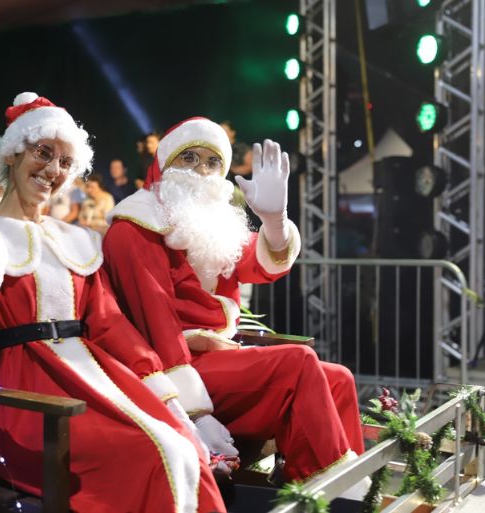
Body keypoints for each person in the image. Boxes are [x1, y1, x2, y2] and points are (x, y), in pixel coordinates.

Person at [0, 92, 224, 513]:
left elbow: (109, 324)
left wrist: (175, 402)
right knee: (160, 456)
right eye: (43, 153)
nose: (53, 170)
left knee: (183, 447)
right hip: (31, 409)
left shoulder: (77, 240)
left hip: (97, 385)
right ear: (12, 154)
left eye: (65, 162)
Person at [103, 117, 366, 488]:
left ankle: (339, 486)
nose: (201, 171)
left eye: (213, 162)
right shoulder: (135, 228)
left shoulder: (205, 224)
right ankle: (330, 495)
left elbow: (259, 263)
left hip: (213, 358)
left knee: (339, 379)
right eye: (189, 158)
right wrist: (194, 411)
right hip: (168, 372)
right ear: (164, 164)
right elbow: (156, 327)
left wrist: (275, 222)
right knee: (299, 362)